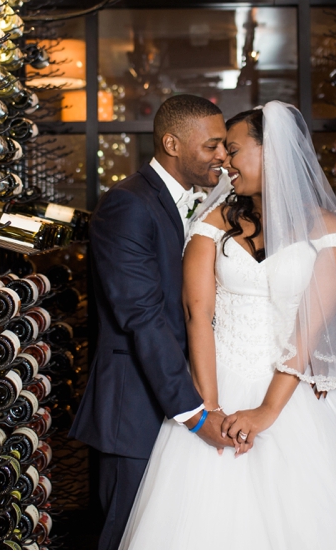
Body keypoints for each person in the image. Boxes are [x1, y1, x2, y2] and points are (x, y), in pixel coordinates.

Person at [120, 101, 336, 549]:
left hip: (295, 395)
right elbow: (199, 316)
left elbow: (308, 332)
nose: (225, 162)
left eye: (233, 150)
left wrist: (266, 412)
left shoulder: (328, 230)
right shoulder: (212, 224)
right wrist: (209, 406)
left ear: (271, 151)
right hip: (219, 381)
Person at [68, 95, 232, 550]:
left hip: (180, 391)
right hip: (136, 407)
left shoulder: (200, 203)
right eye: (213, 145)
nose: (222, 155)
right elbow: (141, 316)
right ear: (172, 143)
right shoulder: (128, 204)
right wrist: (195, 415)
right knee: (128, 537)